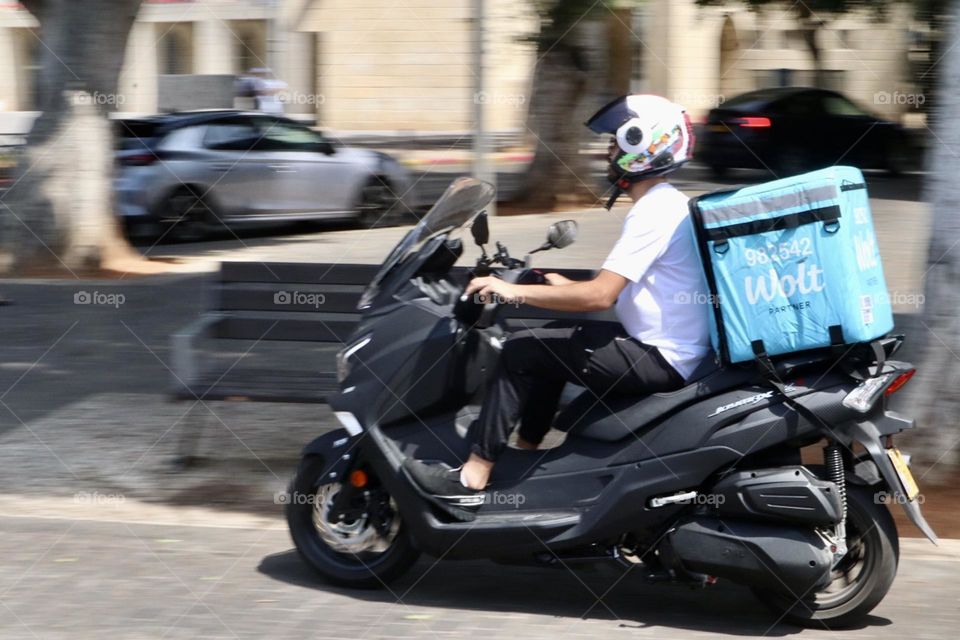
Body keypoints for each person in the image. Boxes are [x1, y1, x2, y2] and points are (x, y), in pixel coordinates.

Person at [404, 95, 712, 509]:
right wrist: (561, 285)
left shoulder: (654, 211)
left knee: (520, 351)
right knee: (548, 345)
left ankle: (474, 475)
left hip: (661, 358)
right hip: (666, 350)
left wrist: (512, 290)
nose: (609, 153)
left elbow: (599, 295)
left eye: (615, 144)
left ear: (643, 145)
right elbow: (630, 287)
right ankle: (526, 456)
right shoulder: (668, 203)